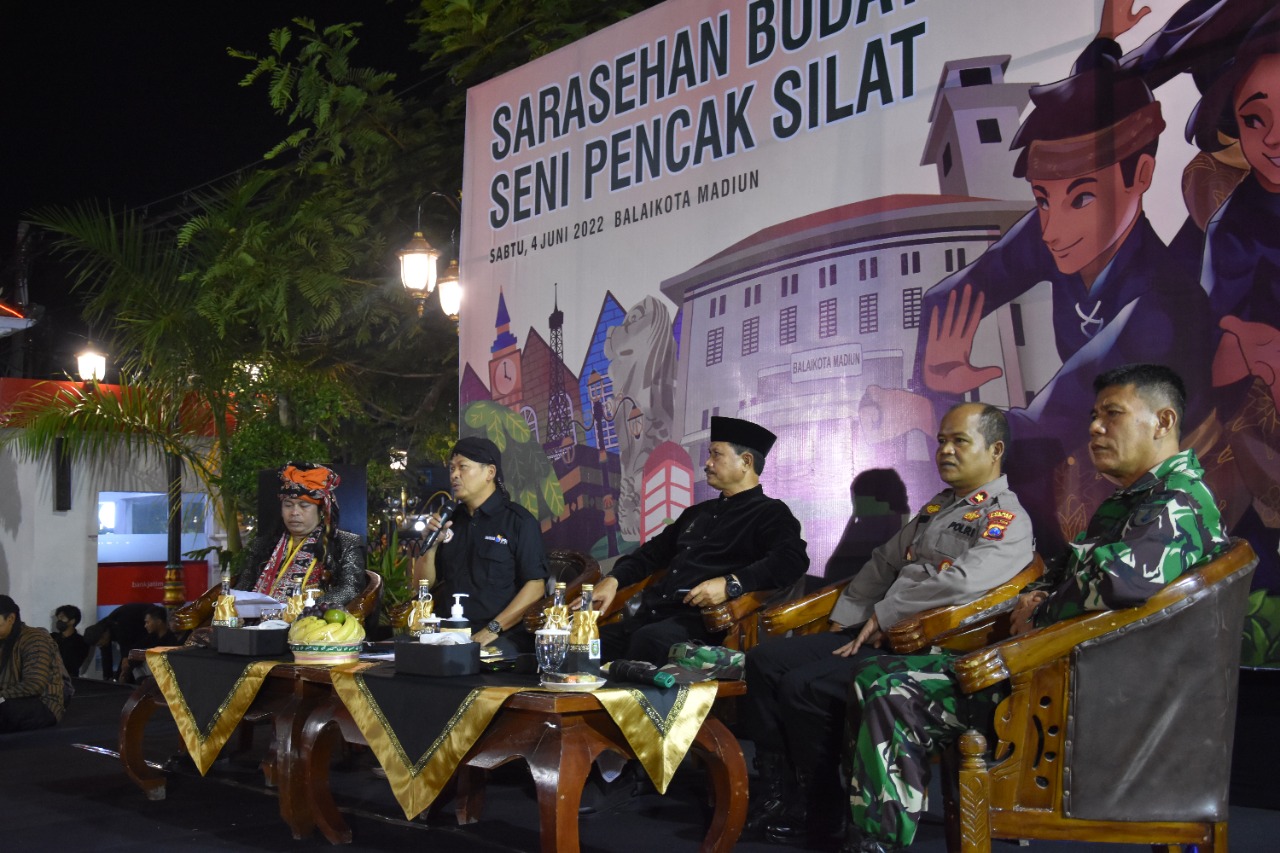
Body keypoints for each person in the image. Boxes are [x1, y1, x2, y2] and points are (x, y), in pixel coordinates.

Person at [841, 364, 1229, 853]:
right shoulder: (1130, 502)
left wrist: (1041, 610)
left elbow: (1119, 580)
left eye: (1113, 414)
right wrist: (1047, 594)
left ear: (1163, 421)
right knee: (879, 673)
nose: (1094, 427)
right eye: (1093, 415)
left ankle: (874, 845)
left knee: (892, 687)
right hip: (1068, 673)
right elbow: (1069, 569)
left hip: (1101, 699)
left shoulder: (1178, 502)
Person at [878, 9, 1216, 556]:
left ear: (1142, 177)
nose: (1053, 230)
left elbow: (1046, 424)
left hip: (1154, 481)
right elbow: (949, 299)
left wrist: (937, 405)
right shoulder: (1057, 228)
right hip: (1080, 439)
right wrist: (1104, 43)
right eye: (1042, 200)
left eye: (1082, 197)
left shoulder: (1164, 306)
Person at [744, 404, 1032, 847]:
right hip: (881, 629)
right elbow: (883, 561)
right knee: (765, 661)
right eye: (941, 441)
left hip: (928, 643)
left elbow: (963, 585)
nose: (945, 451)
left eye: (959, 441)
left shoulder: (1003, 518)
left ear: (995, 450)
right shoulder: (939, 508)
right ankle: (785, 797)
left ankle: (826, 809)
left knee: (803, 686)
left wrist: (886, 615)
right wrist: (850, 618)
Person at [591, 416, 810, 666]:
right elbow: (651, 553)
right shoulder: (697, 513)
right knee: (582, 645)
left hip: (703, 626)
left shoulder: (770, 513)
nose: (707, 463)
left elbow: (791, 559)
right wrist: (613, 579)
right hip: (650, 617)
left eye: (716, 455)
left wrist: (731, 584)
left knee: (649, 642)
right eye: (709, 454)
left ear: (746, 462)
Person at [415, 437, 549, 653]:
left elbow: (536, 586)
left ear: (490, 473)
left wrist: (493, 628)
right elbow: (420, 586)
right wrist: (430, 547)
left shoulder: (518, 522)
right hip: (450, 634)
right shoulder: (450, 521)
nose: (454, 475)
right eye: (452, 469)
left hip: (501, 635)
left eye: (462, 467)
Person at [236, 462, 367, 608]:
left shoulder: (344, 544)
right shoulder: (264, 544)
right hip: (258, 624)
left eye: (304, 505)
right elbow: (243, 587)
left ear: (322, 510)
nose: (294, 512)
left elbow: (350, 589)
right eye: (288, 505)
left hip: (312, 624)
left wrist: (306, 608)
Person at [0, 595, 66, 733]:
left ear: (11, 619)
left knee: (6, 711)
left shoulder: (34, 639)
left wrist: (1, 696)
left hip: (42, 704)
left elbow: (34, 685)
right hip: (8, 699)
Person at [50, 604, 89, 676]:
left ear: (72, 621)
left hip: (69, 681)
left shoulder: (81, 642)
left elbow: (72, 665)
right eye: (58, 618)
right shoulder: (52, 637)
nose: (59, 621)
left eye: (62, 618)